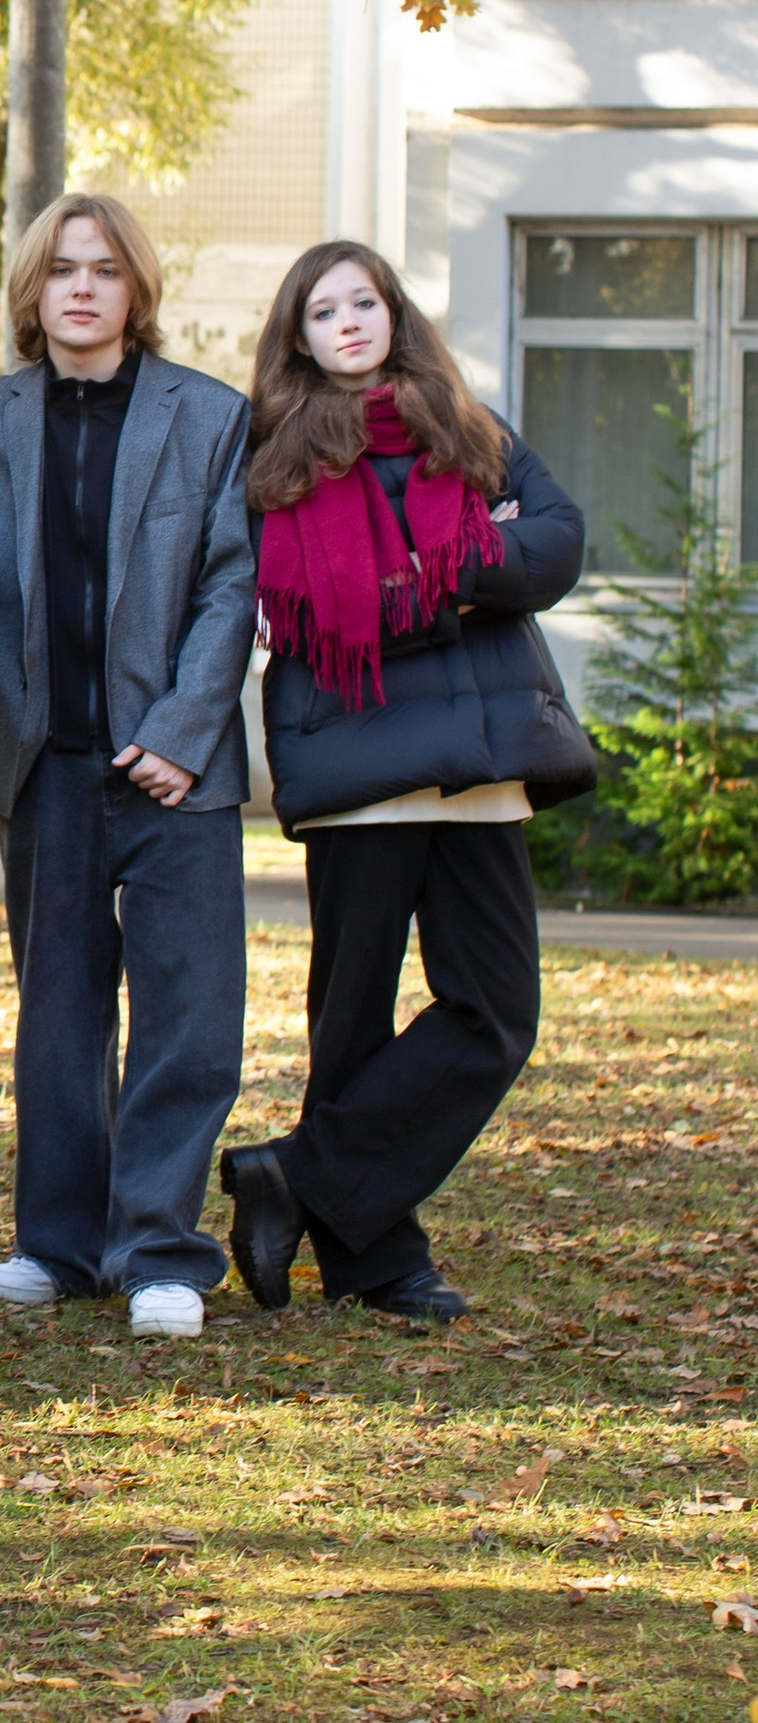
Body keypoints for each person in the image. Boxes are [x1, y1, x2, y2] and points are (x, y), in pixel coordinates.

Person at [217, 241, 591, 1323]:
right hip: (360, 771)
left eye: (363, 301)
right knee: (353, 1020)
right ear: (297, 335)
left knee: (495, 1010)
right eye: (321, 309)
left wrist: (439, 574)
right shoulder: (278, 456)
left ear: (393, 314)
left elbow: (559, 544)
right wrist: (475, 573)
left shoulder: (468, 429)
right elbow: (310, 614)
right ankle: (378, 1262)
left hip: (479, 769)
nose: (346, 321)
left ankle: (293, 1177)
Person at [0, 195, 257, 1339]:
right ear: (32, 290)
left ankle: (161, 1252)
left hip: (172, 768)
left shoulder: (209, 416)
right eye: (62, 269)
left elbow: (232, 582)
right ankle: (58, 1245)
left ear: (136, 291)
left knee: (188, 1012)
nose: (82, 287)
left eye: (105, 270)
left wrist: (181, 731)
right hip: (41, 763)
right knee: (58, 1012)